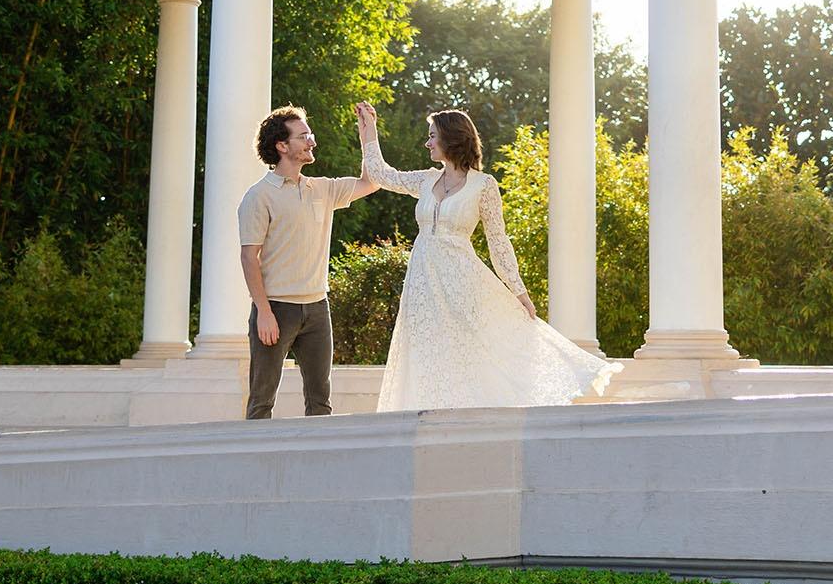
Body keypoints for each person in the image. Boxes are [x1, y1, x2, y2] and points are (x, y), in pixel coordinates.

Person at [355, 101, 620, 412]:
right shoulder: (426, 179)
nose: (427, 143)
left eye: (432, 136)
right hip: (423, 281)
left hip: (463, 280)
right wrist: (368, 129)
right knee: (426, 348)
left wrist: (518, 290)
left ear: (451, 138)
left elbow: (498, 241)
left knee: (467, 348)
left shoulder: (484, 186)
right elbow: (382, 174)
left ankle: (469, 417)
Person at [238, 105, 377, 419]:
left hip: (317, 308)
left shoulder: (322, 188)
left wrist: (368, 135)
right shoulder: (259, 196)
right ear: (282, 146)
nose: (312, 141)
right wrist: (263, 313)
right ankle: (255, 466)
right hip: (276, 308)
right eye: (304, 137)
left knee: (320, 403)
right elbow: (249, 256)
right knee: (261, 403)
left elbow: (370, 182)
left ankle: (319, 466)